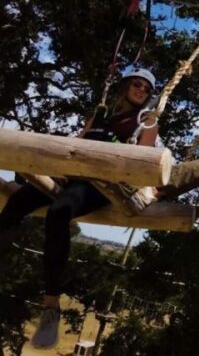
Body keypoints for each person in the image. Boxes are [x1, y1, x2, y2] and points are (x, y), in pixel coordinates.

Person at [0, 68, 160, 349]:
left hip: (101, 186)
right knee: (20, 200)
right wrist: (60, 169)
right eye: (137, 84)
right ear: (125, 85)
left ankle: (51, 305)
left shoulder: (145, 122)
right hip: (71, 176)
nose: (141, 90)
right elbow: (75, 146)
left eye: (147, 89)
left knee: (59, 211)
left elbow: (145, 163)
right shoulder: (100, 116)